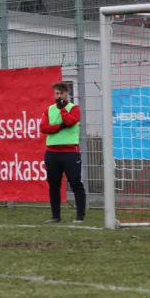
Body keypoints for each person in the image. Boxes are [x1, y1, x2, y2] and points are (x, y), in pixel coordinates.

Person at [39, 82, 86, 223]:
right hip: (52, 152)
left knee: (75, 183)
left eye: (61, 93)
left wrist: (62, 109)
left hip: (70, 153)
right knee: (53, 184)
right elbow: (44, 127)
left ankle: (80, 216)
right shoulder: (49, 109)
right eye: (56, 93)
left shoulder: (74, 108)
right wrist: (59, 127)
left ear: (67, 94)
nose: (58, 96)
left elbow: (70, 121)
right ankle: (55, 216)